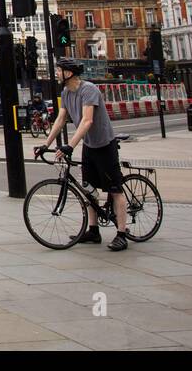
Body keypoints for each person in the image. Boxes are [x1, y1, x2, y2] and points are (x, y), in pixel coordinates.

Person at [40, 59, 130, 251]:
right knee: (87, 188)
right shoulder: (65, 92)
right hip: (90, 146)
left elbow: (87, 121)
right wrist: (45, 143)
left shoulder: (88, 90)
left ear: (69, 73)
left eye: (59, 70)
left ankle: (122, 234)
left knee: (115, 191)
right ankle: (93, 231)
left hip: (105, 145)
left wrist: (70, 146)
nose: (56, 73)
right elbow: (61, 119)